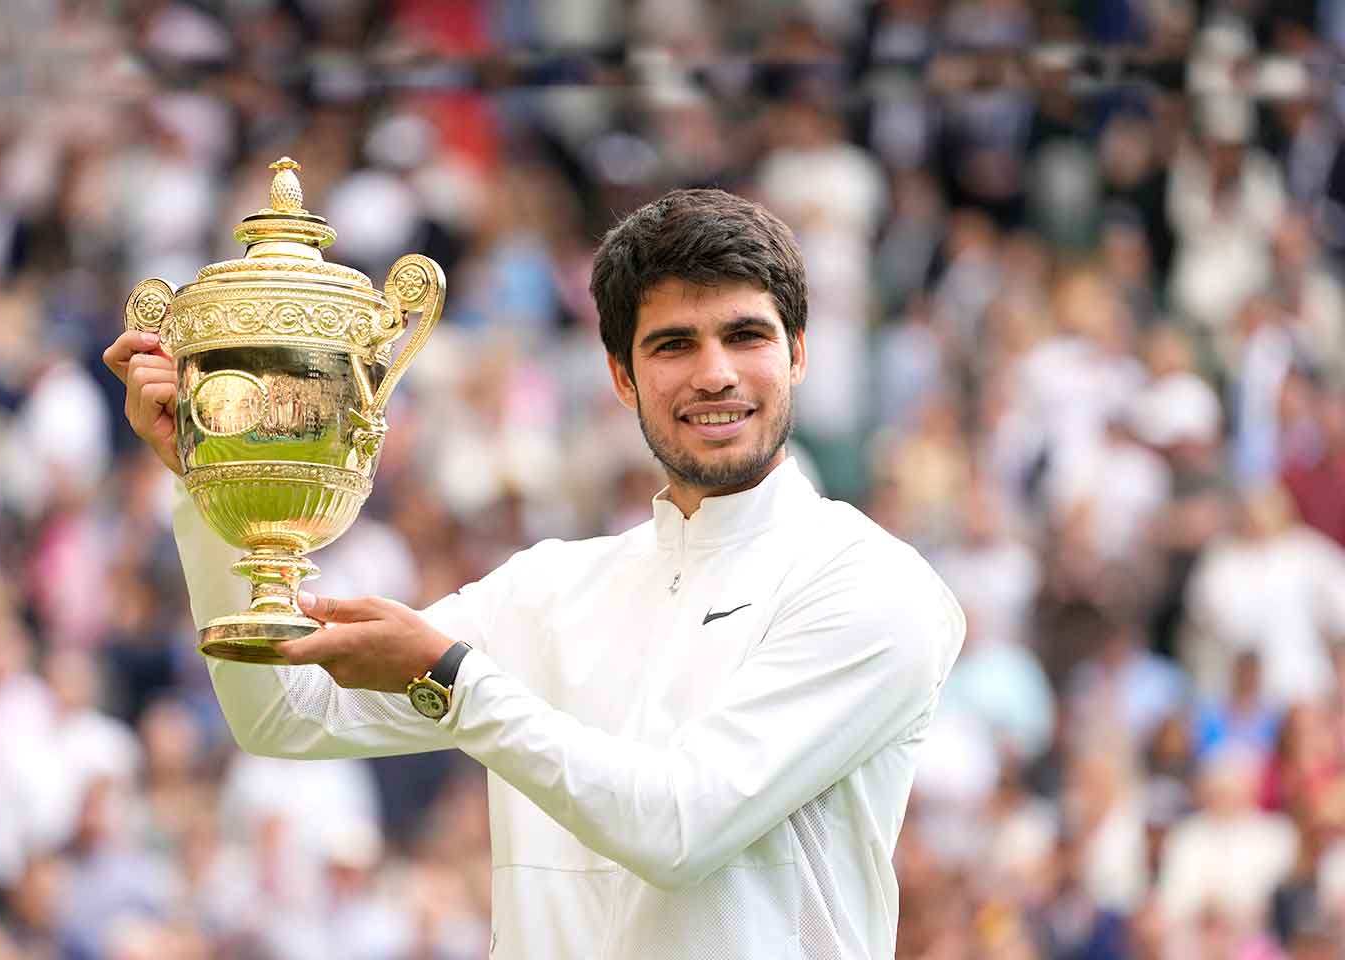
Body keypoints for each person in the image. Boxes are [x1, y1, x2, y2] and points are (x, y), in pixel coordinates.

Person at [105, 188, 965, 958]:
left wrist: (451, 677)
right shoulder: (553, 587)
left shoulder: (874, 587)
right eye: (674, 345)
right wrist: (210, 477)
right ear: (623, 378)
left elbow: (680, 826)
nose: (714, 373)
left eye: (746, 336)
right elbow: (285, 716)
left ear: (798, 354)